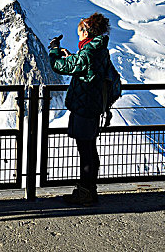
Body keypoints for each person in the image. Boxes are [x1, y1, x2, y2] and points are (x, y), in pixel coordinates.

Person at [48, 13, 112, 205]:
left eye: (79, 34)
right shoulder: (99, 49)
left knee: (85, 151)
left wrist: (54, 51)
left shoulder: (89, 52)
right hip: (93, 106)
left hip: (84, 108)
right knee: (90, 149)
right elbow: (86, 65)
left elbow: (58, 66)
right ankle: (89, 190)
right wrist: (74, 57)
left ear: (86, 32)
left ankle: (85, 193)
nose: (79, 37)